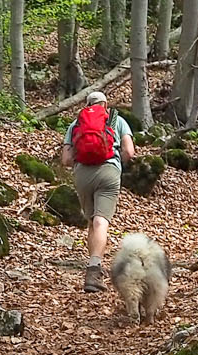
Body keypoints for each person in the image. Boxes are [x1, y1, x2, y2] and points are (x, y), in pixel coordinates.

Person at [60, 90, 136, 293]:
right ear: (105, 104)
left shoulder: (76, 125)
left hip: (82, 174)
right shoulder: (116, 120)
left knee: (91, 221)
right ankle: (94, 269)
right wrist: (119, 164)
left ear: (87, 105)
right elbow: (129, 151)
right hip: (109, 171)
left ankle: (92, 268)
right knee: (101, 220)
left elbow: (66, 160)